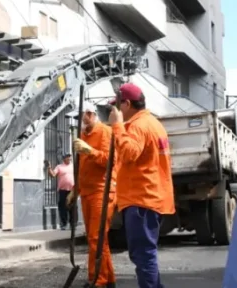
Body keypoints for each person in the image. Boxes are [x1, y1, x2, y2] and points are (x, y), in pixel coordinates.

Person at [108, 83, 174, 288]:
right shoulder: (154, 123)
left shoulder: (137, 126)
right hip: (151, 197)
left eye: (118, 106)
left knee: (143, 256)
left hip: (141, 200)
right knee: (146, 255)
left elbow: (129, 153)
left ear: (127, 103)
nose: (116, 111)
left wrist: (117, 126)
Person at [72, 101, 118, 288]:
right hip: (87, 191)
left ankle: (97, 280)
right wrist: (76, 190)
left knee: (95, 237)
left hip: (102, 190)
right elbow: (82, 168)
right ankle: (108, 279)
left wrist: (89, 150)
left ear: (90, 115)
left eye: (80, 117)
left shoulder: (105, 132)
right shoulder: (82, 136)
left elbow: (109, 160)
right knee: (98, 238)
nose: (78, 121)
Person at [47, 153, 75, 230]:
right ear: (64, 159)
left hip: (72, 190)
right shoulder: (59, 167)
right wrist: (49, 168)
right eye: (67, 157)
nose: (69, 158)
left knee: (72, 207)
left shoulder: (74, 166)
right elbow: (52, 175)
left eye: (70, 157)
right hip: (62, 190)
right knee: (63, 208)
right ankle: (64, 224)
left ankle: (72, 224)